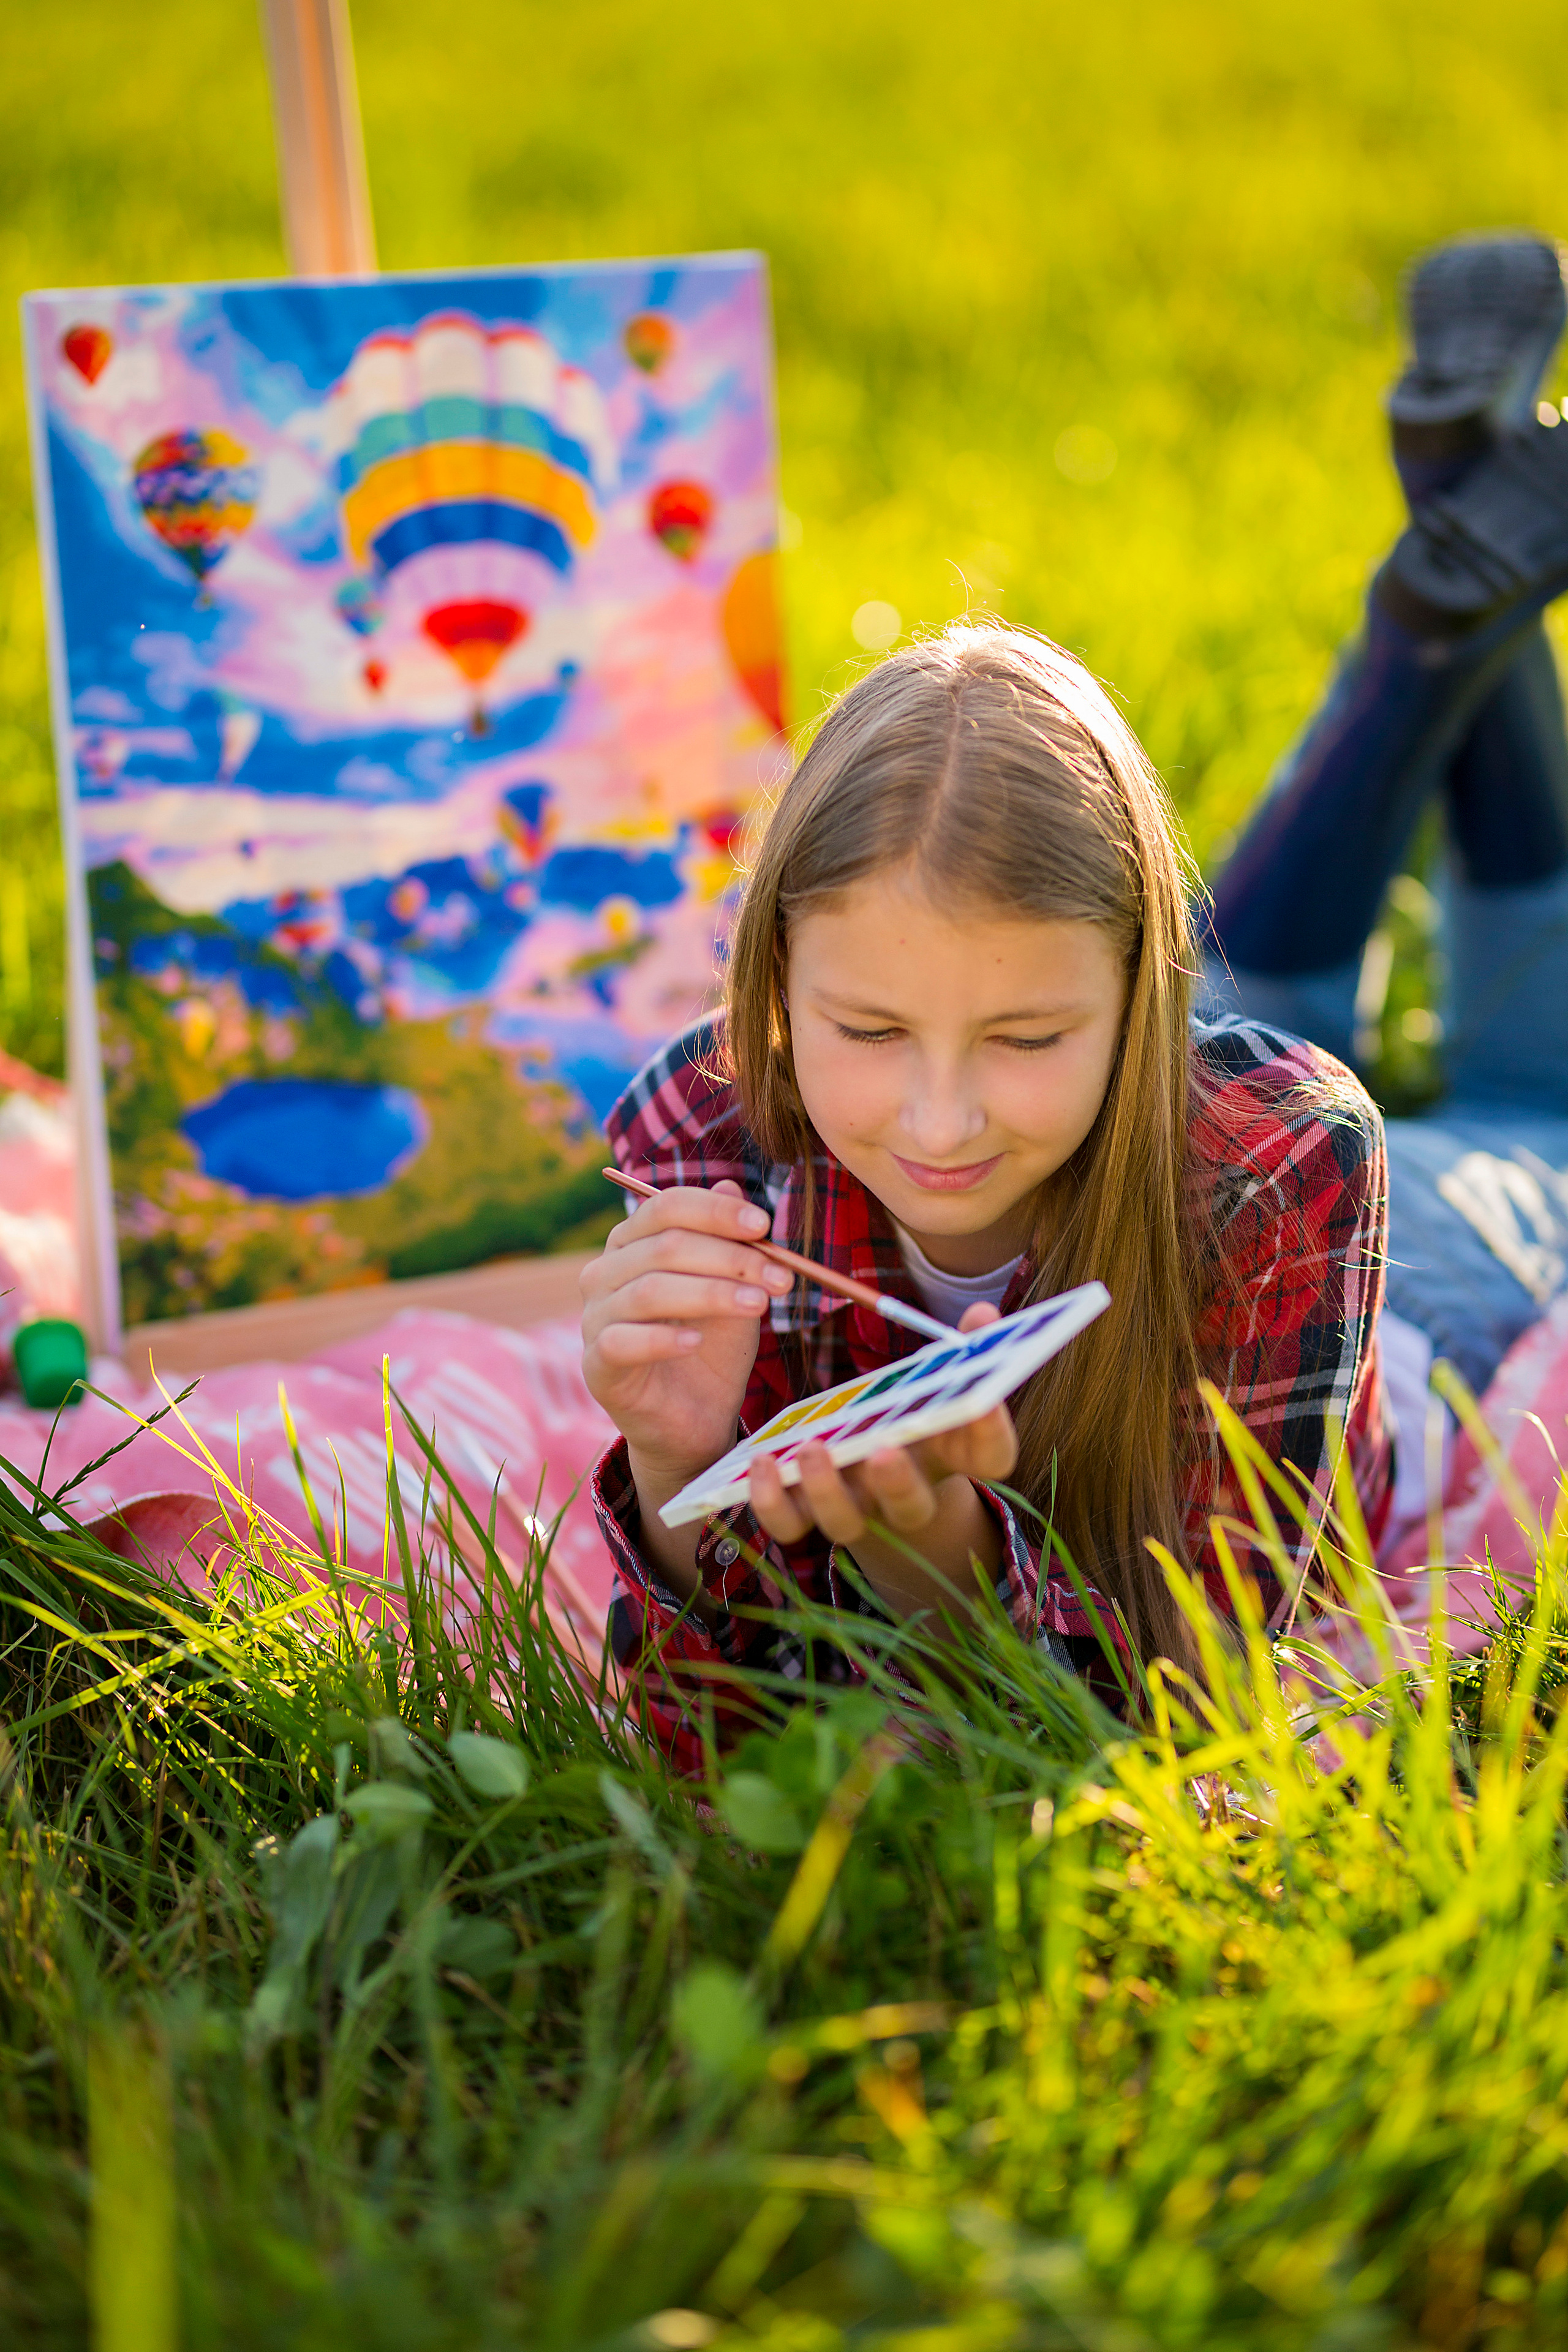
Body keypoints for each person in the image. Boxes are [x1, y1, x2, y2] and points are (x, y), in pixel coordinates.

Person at [581, 229, 1568, 1768]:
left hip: (1433, 1255)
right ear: (775, 981)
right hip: (1189, 1080)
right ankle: (1452, 538)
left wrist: (948, 1566)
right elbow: (702, 1728)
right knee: (1295, 1018)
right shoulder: (713, 1129)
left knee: (1534, 1082)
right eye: (863, 1032)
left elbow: (1212, 1688)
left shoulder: (1273, 1158)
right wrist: (666, 1461)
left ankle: (1446, 569)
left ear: (1149, 991)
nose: (939, 1120)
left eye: (1027, 1038)